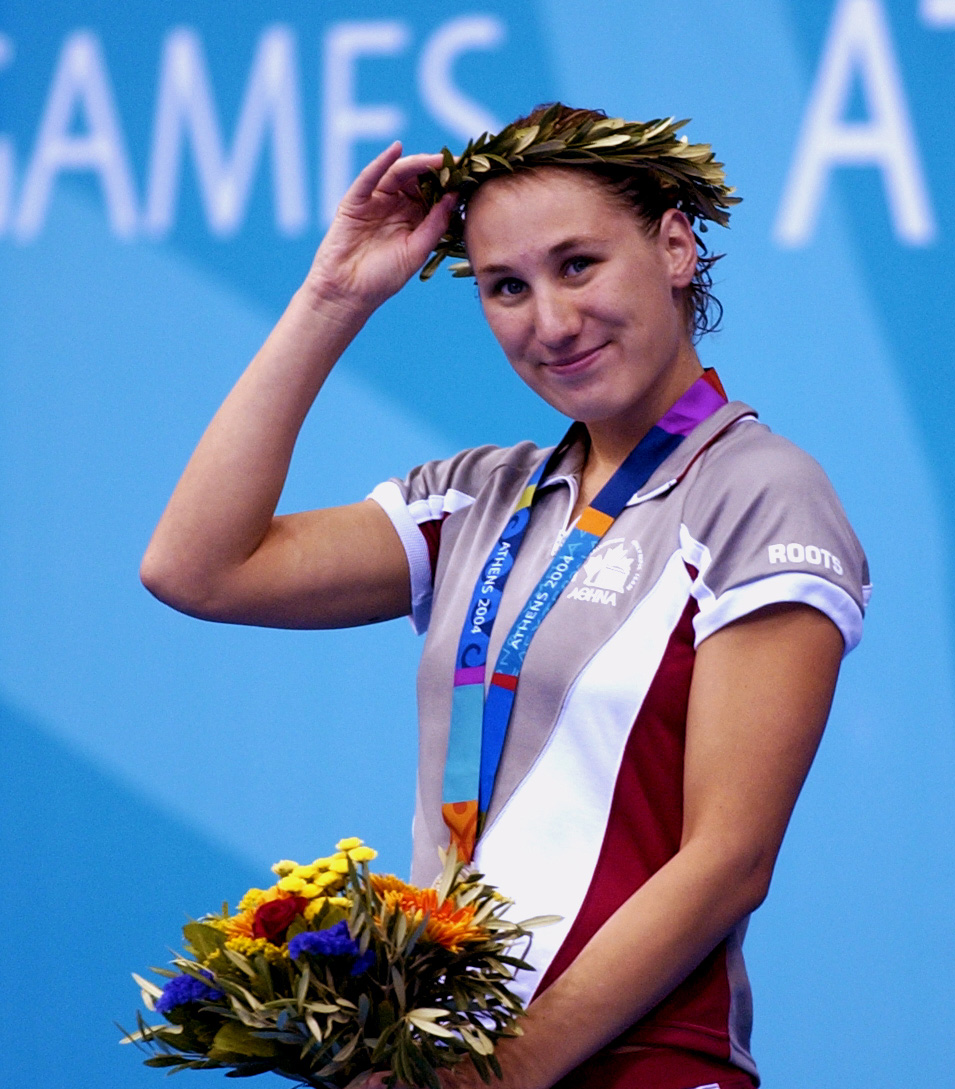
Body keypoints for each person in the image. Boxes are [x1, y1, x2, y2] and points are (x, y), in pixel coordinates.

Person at [141, 104, 870, 1089]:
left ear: (675, 245)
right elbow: (197, 567)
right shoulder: (479, 497)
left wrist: (499, 1071)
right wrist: (331, 296)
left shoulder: (759, 491)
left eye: (579, 265)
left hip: (641, 1068)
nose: (552, 323)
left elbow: (730, 860)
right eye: (505, 288)